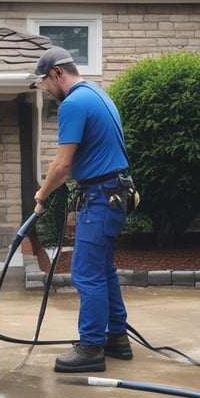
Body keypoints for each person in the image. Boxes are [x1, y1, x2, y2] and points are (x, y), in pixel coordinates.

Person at [31, 46, 135, 373]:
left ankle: (91, 348)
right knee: (102, 269)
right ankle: (117, 338)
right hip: (115, 192)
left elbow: (62, 165)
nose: (46, 91)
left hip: (102, 196)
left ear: (57, 73)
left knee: (86, 272)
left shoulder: (74, 103)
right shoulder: (97, 94)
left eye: (45, 83)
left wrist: (42, 195)